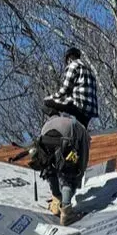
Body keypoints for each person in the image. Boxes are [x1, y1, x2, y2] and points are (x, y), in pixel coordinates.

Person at [34, 48, 98, 222]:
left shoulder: (74, 66)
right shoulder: (89, 71)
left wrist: (51, 99)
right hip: (87, 113)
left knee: (57, 163)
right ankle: (64, 200)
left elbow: (64, 89)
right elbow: (81, 162)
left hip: (76, 106)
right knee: (72, 158)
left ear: (69, 58)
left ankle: (60, 201)